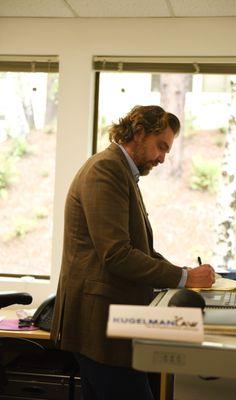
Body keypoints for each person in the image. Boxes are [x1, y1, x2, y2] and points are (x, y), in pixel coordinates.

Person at [50, 105, 215, 400]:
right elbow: (117, 255)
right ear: (138, 133)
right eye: (160, 147)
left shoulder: (123, 172)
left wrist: (185, 274)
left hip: (112, 319)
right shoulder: (106, 169)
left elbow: (143, 251)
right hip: (98, 324)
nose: (163, 158)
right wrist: (185, 278)